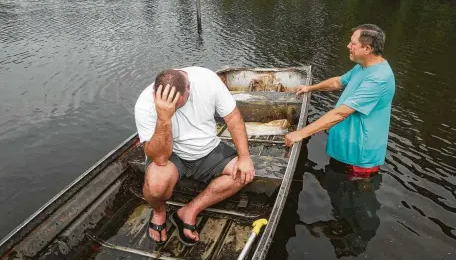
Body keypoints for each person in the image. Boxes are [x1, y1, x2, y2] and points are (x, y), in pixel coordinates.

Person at [134, 66, 255, 246]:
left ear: (189, 87)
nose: (175, 109)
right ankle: (159, 212)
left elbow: (233, 118)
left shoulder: (208, 81)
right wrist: (164, 118)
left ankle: (189, 210)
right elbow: (160, 159)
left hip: (209, 150)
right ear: (155, 94)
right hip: (172, 155)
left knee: (244, 175)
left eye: (179, 104)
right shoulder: (145, 104)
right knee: (155, 186)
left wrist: (244, 157)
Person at [285, 24, 395, 175]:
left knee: (348, 193)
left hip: (358, 158)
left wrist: (301, 133)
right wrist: (309, 88)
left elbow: (340, 114)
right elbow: (338, 82)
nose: (348, 46)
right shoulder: (364, 66)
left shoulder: (379, 79)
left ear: (367, 49)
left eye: (353, 43)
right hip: (345, 149)